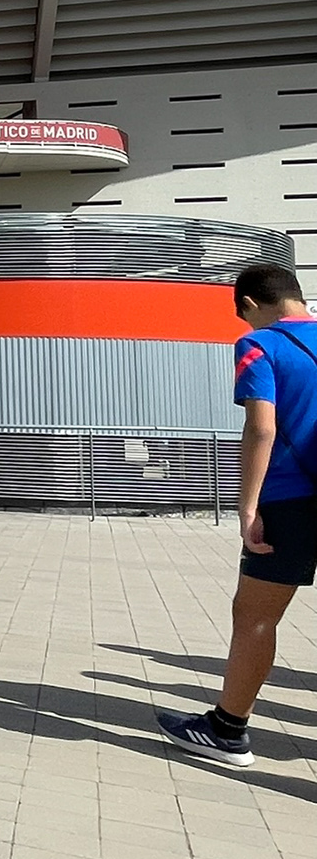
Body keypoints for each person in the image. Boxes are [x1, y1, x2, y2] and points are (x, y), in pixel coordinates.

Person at [158, 263, 317, 767]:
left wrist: (247, 508)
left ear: (249, 304)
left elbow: (261, 430)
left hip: (290, 501)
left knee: (255, 616)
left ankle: (227, 729)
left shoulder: (260, 345)